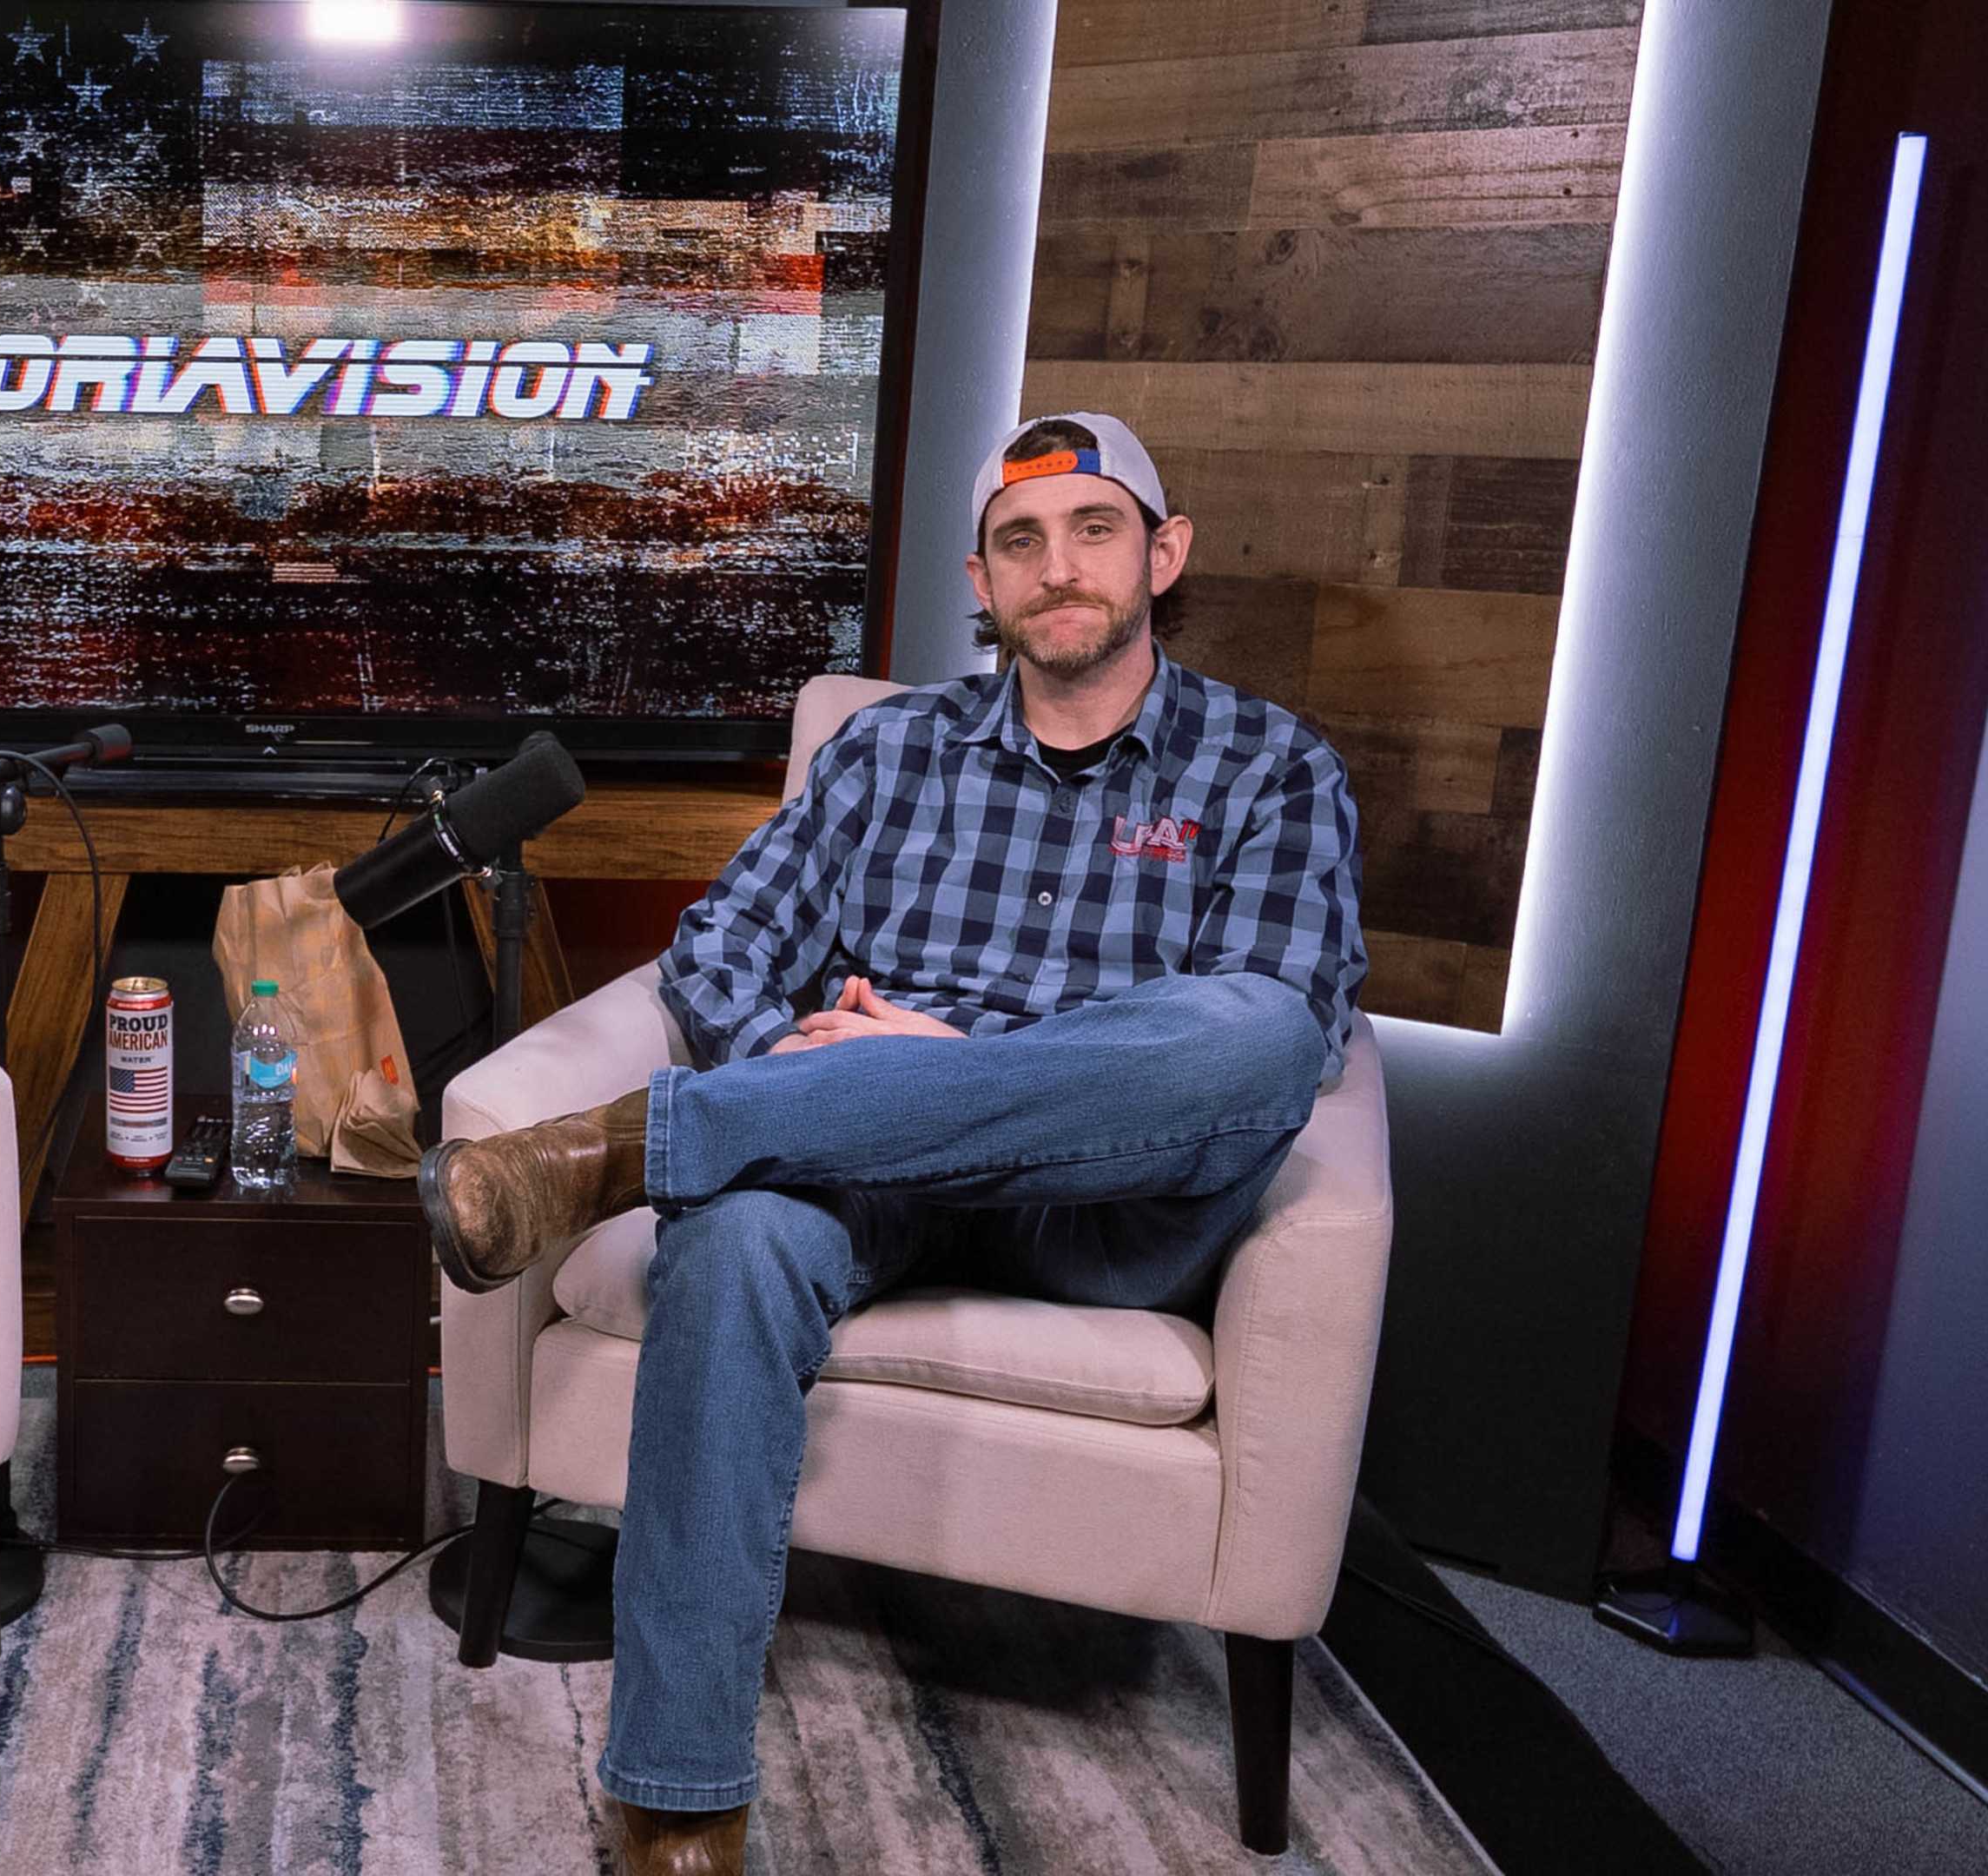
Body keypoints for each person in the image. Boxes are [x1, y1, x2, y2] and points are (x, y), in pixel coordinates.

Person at [418, 413, 1368, 1876]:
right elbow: (722, 947)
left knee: (1252, 1033)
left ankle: (616, 1150)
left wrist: (958, 1067)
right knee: (731, 1235)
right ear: (983, 585)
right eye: (1021, 542)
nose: (1060, 569)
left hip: (1112, 1210)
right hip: (864, 1177)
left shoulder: (1271, 769)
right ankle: (678, 1809)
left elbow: (1264, 1056)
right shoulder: (887, 752)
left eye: (1095, 529)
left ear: (1163, 555)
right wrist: (800, 1066)